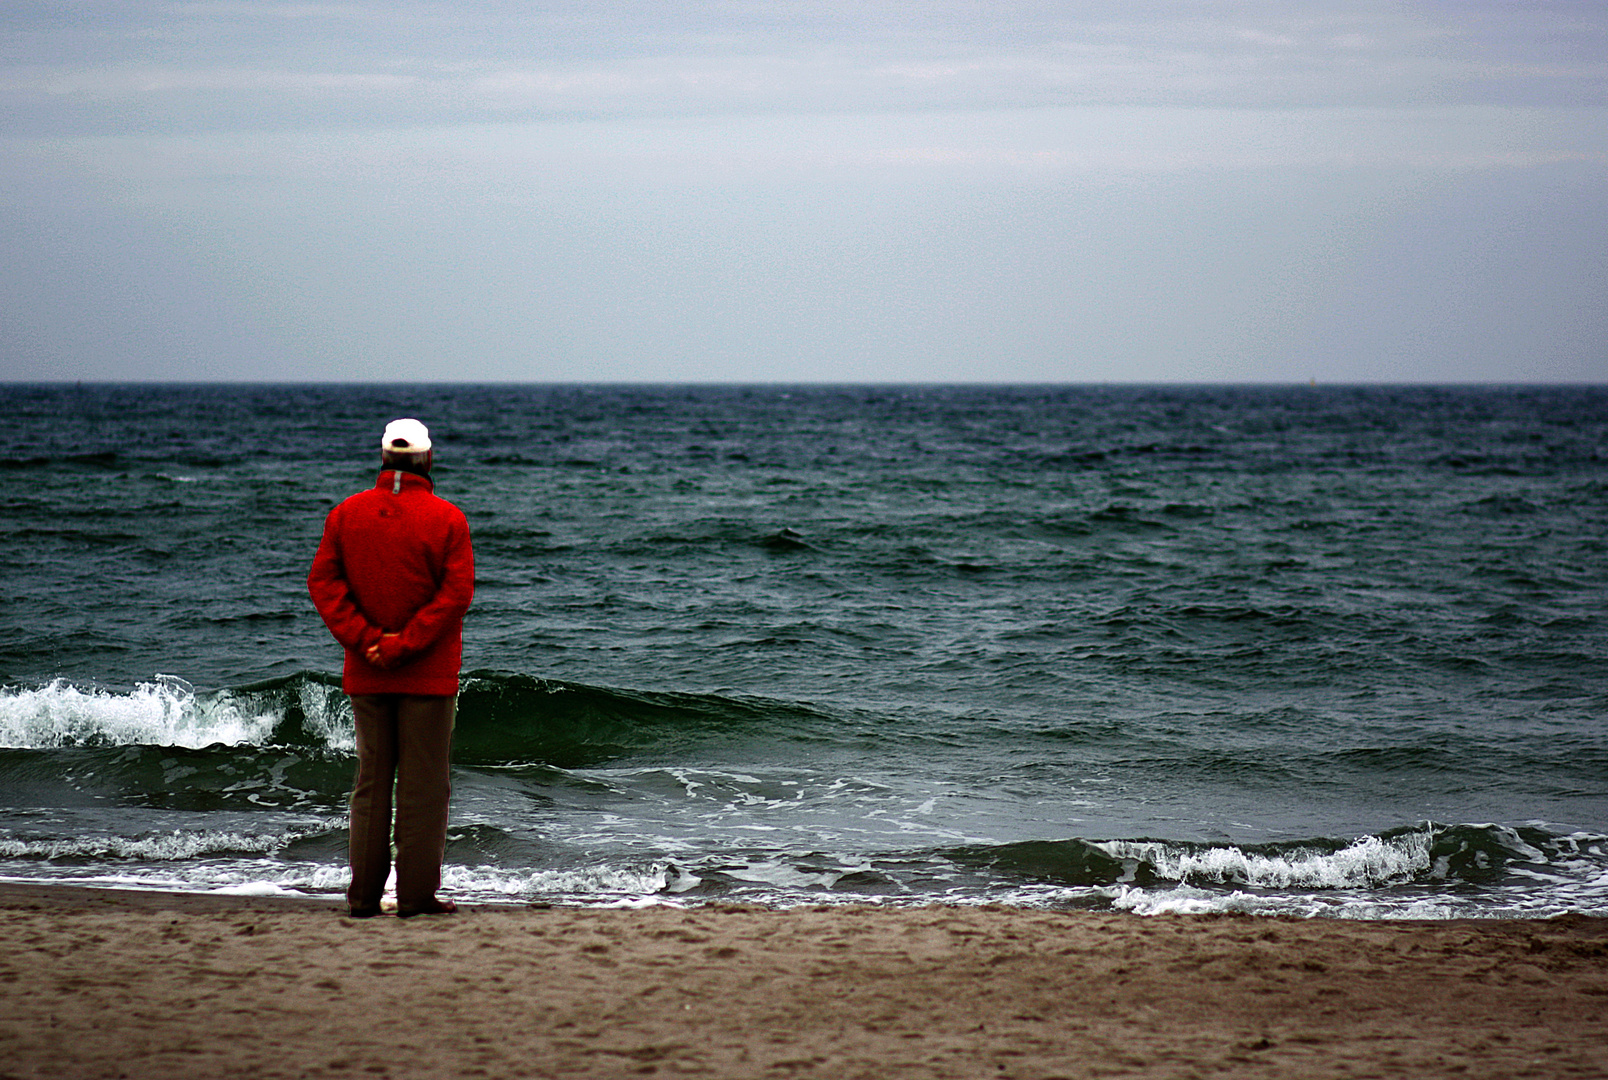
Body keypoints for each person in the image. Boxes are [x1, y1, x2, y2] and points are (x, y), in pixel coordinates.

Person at [308, 418, 474, 918]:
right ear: (428, 459)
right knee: (423, 788)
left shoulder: (346, 514)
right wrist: (406, 644)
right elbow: (455, 596)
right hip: (427, 674)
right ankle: (416, 897)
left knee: (372, 784)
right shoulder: (448, 519)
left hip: (368, 669)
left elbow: (324, 583)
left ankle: (362, 898)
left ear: (383, 458)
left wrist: (367, 641)